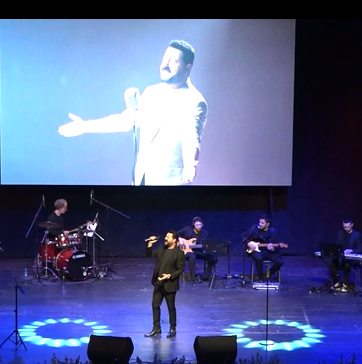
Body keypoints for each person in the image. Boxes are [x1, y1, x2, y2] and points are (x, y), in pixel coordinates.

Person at [58, 40, 208, 186]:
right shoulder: (152, 92)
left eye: (173, 61)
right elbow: (125, 121)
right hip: (140, 180)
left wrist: (190, 167)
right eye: (164, 59)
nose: (165, 64)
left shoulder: (194, 101)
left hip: (169, 185)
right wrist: (84, 126)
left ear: (187, 69)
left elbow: (192, 138)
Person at [145, 231, 187, 338]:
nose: (165, 238)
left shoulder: (179, 253)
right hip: (159, 283)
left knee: (171, 308)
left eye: (168, 237)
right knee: (155, 305)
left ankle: (172, 329)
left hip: (170, 284)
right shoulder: (161, 249)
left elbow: (180, 269)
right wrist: (150, 244)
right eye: (165, 236)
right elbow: (149, 255)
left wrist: (169, 276)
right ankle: (156, 328)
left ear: (174, 240)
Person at [244, 215, 286, 282]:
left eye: (262, 223)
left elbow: (276, 244)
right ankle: (261, 278)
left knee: (280, 261)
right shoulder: (254, 228)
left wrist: (273, 249)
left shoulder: (273, 231)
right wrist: (248, 243)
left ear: (267, 224)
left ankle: (267, 274)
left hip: (269, 251)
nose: (260, 224)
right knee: (259, 258)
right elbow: (243, 236)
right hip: (257, 250)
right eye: (259, 222)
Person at [177, 216, 218, 284]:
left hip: (200, 251)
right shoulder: (187, 229)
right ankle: (192, 279)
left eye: (200, 225)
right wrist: (181, 242)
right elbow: (176, 234)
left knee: (214, 258)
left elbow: (206, 244)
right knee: (192, 257)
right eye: (197, 225)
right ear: (194, 224)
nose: (199, 226)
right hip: (189, 251)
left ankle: (204, 276)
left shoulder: (205, 233)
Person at [328, 218, 362, 292]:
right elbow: (337, 245)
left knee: (347, 265)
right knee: (332, 264)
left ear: (352, 225)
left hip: (351, 259)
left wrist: (351, 250)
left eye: (348, 227)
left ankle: (345, 283)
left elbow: (360, 249)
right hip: (342, 257)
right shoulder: (340, 233)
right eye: (344, 227)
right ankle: (337, 282)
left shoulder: (357, 235)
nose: (346, 229)